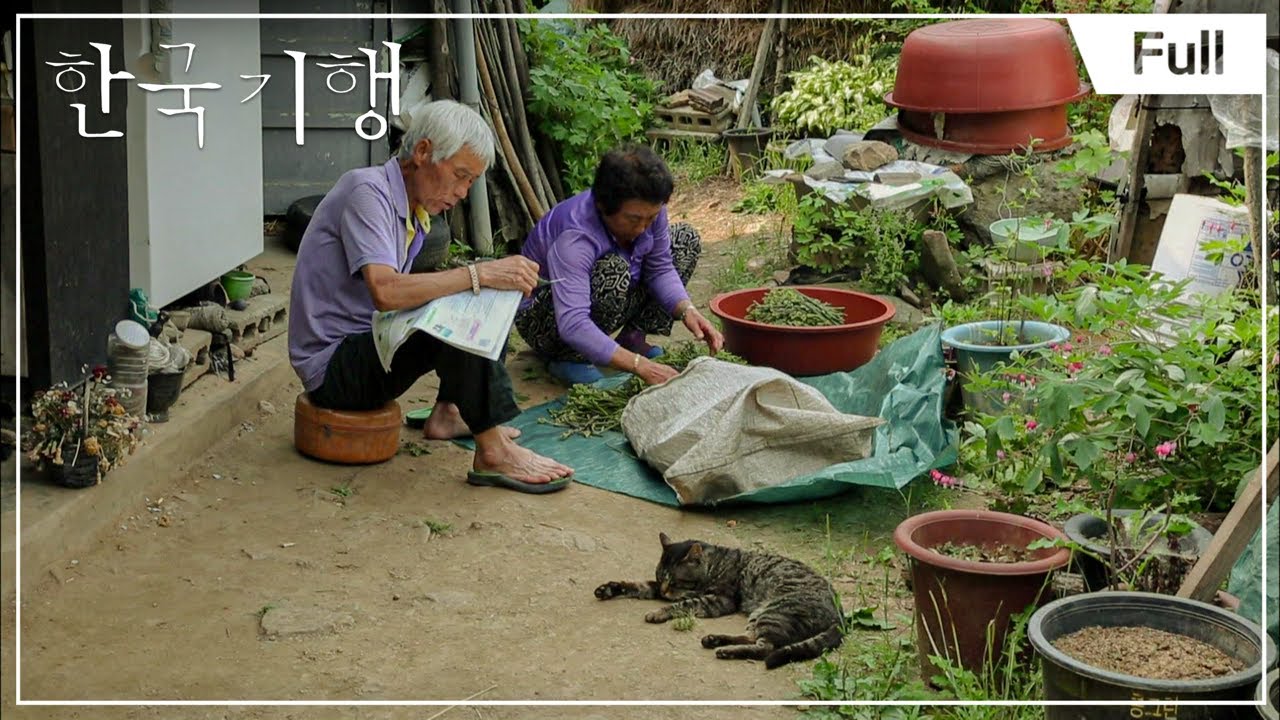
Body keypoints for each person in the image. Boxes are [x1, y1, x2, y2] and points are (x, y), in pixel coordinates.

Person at [287, 100, 573, 494]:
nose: (460, 192)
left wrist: (482, 279)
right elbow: (386, 291)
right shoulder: (366, 192)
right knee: (460, 309)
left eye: (470, 182)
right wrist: (477, 273)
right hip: (333, 370)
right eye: (459, 176)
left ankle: (449, 412)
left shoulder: (411, 209)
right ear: (422, 152)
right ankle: (493, 453)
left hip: (369, 345)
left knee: (484, 292)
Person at [514, 144, 724, 386]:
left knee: (684, 239)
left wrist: (688, 311)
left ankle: (632, 338)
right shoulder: (575, 237)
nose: (643, 227)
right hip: (547, 319)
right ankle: (570, 357)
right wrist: (640, 366)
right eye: (634, 219)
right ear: (604, 206)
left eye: (651, 217)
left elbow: (660, 269)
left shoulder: (647, 210)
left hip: (605, 296)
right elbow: (572, 322)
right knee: (614, 269)